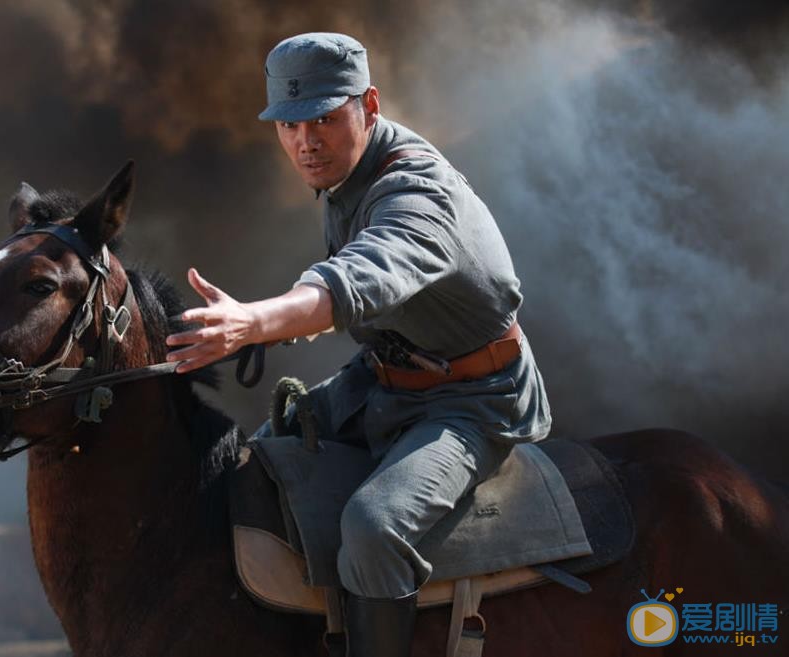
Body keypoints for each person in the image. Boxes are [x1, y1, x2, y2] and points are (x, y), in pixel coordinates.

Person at [166, 32, 551, 657]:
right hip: (387, 378)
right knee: (256, 469)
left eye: (324, 117)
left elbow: (351, 284)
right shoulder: (347, 172)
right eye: (289, 124)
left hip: (475, 398)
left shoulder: (417, 195)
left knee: (374, 528)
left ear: (368, 107)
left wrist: (251, 324)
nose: (306, 141)